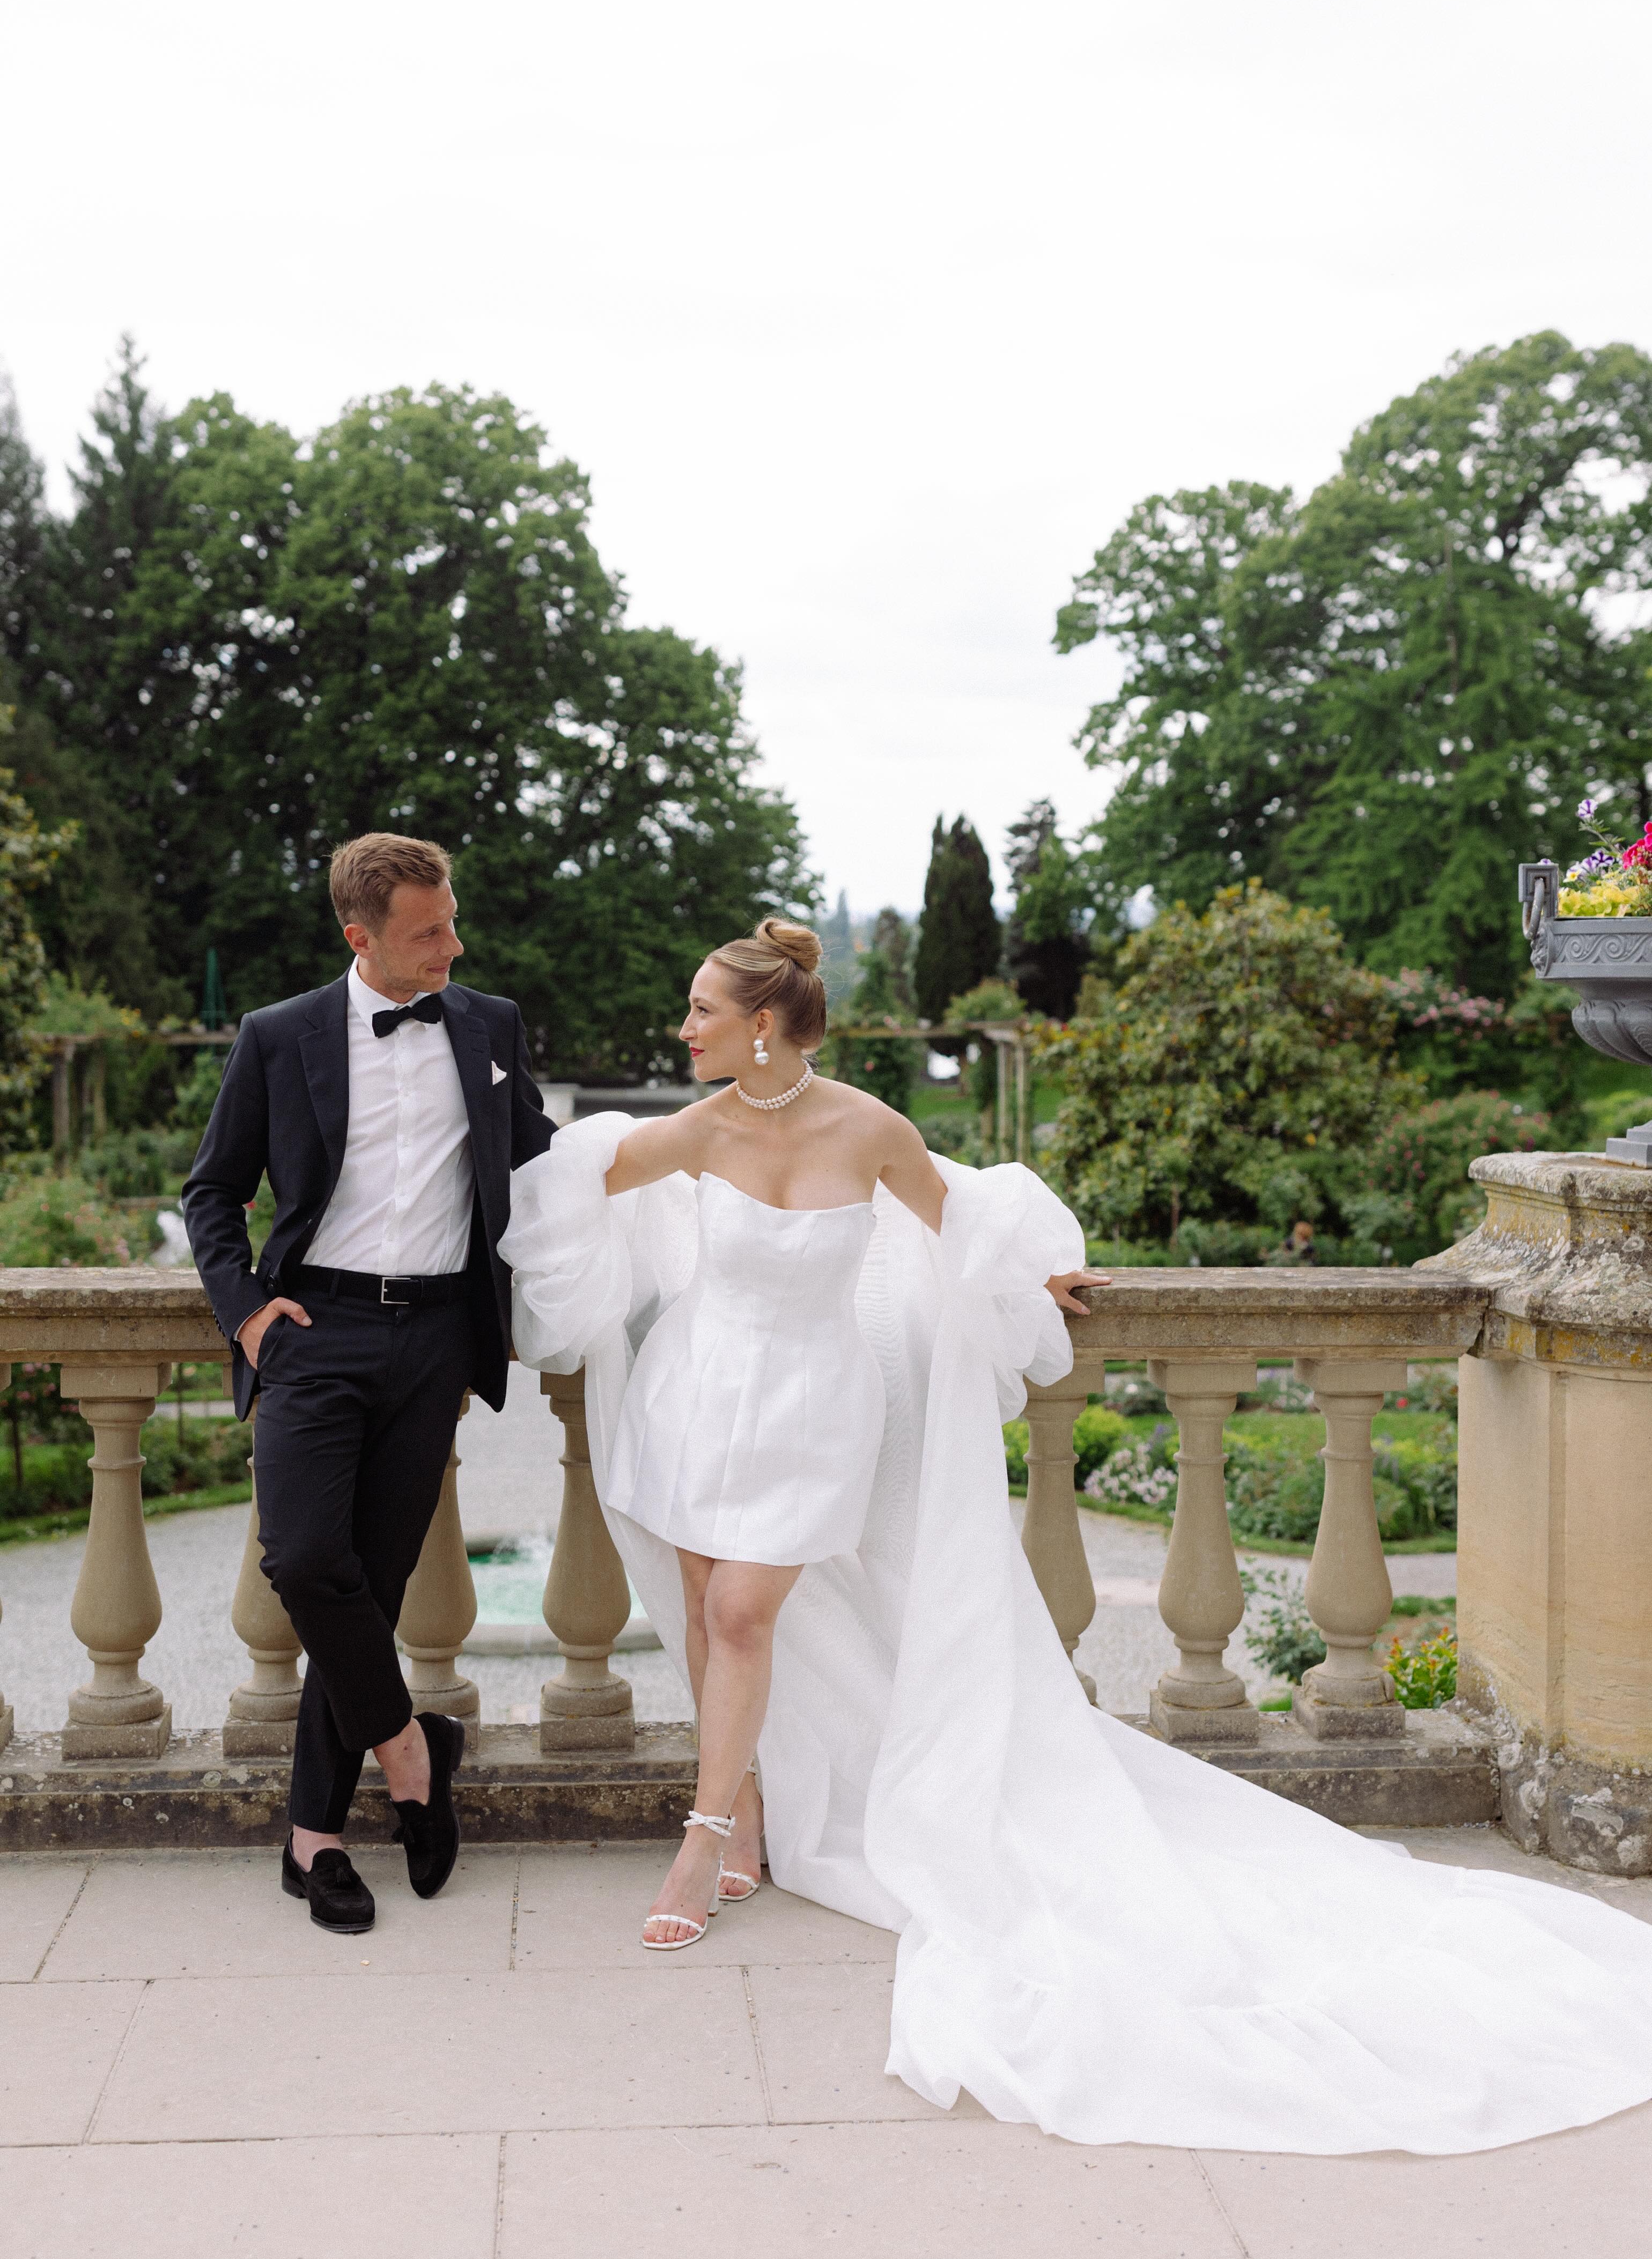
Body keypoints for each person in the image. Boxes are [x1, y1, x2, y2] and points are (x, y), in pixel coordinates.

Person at [502, 916, 1652, 2155]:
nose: (685, 1030)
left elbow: (960, 1219)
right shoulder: (694, 1130)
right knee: (697, 1601)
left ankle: (703, 1839)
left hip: (807, 1411)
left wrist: (1030, 1277)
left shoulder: (868, 1130)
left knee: (743, 1613)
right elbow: (569, 1183)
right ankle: (753, 1808)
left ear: (764, 1022)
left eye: (701, 1012)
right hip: (696, 1393)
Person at [183, 832, 551, 1933]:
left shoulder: (488, 1024)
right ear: (362, 938)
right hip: (313, 1330)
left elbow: (545, 1160)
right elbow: (213, 1192)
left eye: (450, 921)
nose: (454, 944)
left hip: (436, 1336)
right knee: (303, 1559)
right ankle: (411, 1752)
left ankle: (315, 1839)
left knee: (371, 1593)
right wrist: (246, 1310)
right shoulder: (279, 1036)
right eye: (429, 932)